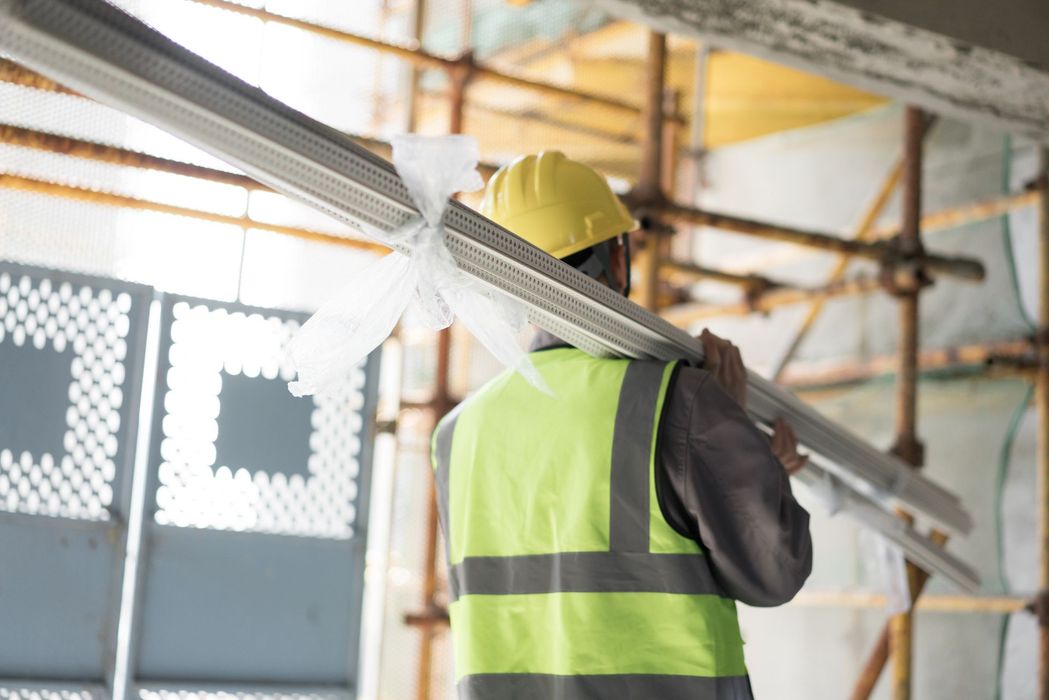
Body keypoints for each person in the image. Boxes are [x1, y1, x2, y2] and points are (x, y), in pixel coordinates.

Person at [431, 151, 812, 699]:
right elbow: (775, 571)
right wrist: (738, 444)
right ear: (616, 251)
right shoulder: (675, 398)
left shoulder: (454, 435)